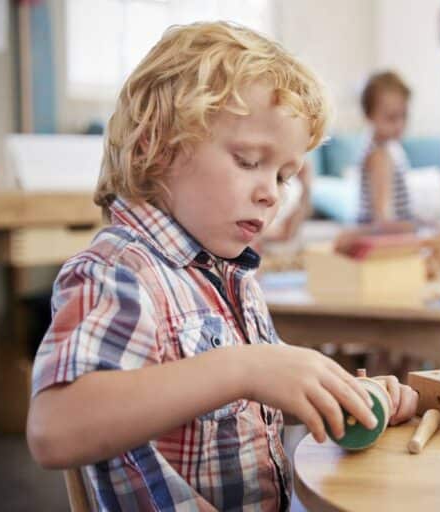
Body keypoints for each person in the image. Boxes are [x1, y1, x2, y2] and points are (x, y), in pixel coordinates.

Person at [26, 22, 418, 510]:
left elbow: (251, 405)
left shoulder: (229, 275)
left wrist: (337, 395)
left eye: (283, 175)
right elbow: (54, 430)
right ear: (156, 148)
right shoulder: (119, 270)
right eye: (249, 161)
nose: (271, 192)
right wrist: (244, 368)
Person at [357, 71, 414, 225]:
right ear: (369, 116)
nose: (399, 125)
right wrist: (415, 230)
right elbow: (383, 217)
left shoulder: (391, 147)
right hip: (380, 234)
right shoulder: (380, 154)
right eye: (391, 118)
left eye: (404, 116)